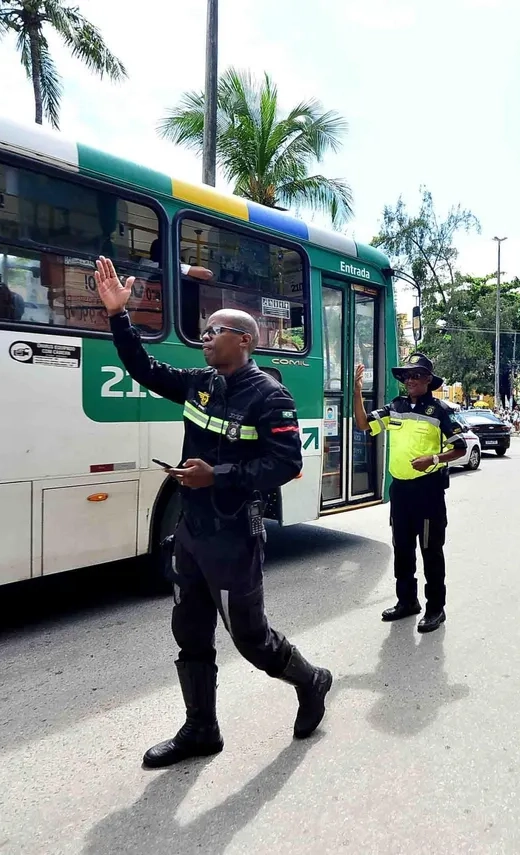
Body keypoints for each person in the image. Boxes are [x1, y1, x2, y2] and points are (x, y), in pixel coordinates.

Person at [93, 256, 332, 768]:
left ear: (242, 340)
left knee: (250, 639)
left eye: (214, 331)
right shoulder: (199, 384)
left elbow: (286, 463)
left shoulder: (271, 397)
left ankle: (311, 680)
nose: (204, 338)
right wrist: (119, 316)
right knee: (191, 635)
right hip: (192, 534)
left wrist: (216, 476)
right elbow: (143, 368)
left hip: (233, 536)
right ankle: (201, 729)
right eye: (203, 332)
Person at [354, 353, 467, 632]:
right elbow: (363, 424)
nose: (410, 380)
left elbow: (461, 447)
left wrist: (434, 459)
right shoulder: (396, 407)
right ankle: (407, 602)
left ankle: (435, 608)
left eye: (417, 375)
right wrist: (357, 392)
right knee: (402, 550)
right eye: (407, 376)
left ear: (429, 380)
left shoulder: (440, 410)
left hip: (428, 493)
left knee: (430, 551)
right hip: (401, 491)